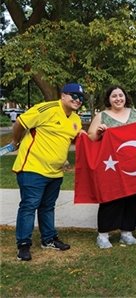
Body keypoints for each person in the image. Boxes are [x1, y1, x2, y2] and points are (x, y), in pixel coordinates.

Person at [11, 83, 84, 261]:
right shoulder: (47, 109)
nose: (78, 100)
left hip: (55, 173)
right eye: (74, 96)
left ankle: (49, 239)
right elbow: (20, 123)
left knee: (47, 207)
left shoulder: (75, 119)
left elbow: (74, 139)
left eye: (81, 98)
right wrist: (16, 141)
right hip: (32, 169)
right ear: (63, 95)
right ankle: (23, 245)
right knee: (29, 206)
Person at [87, 86, 136, 249]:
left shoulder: (135, 113)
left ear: (125, 97)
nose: (118, 98)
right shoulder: (102, 116)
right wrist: (99, 132)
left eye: (121, 95)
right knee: (111, 199)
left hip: (135, 165)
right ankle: (103, 234)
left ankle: (127, 232)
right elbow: (91, 137)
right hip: (111, 166)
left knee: (134, 199)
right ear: (109, 99)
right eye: (114, 96)